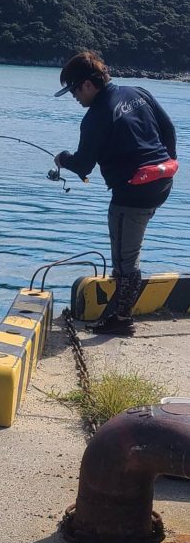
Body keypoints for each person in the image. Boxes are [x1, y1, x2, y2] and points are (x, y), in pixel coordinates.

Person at [54, 50, 178, 336]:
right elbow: (169, 129)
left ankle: (121, 319)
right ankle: (118, 313)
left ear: (87, 84)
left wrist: (63, 158)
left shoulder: (96, 116)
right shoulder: (138, 92)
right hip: (161, 183)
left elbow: (83, 165)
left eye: (74, 90)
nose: (74, 98)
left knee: (125, 260)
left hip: (132, 192)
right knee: (127, 252)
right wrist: (165, 164)